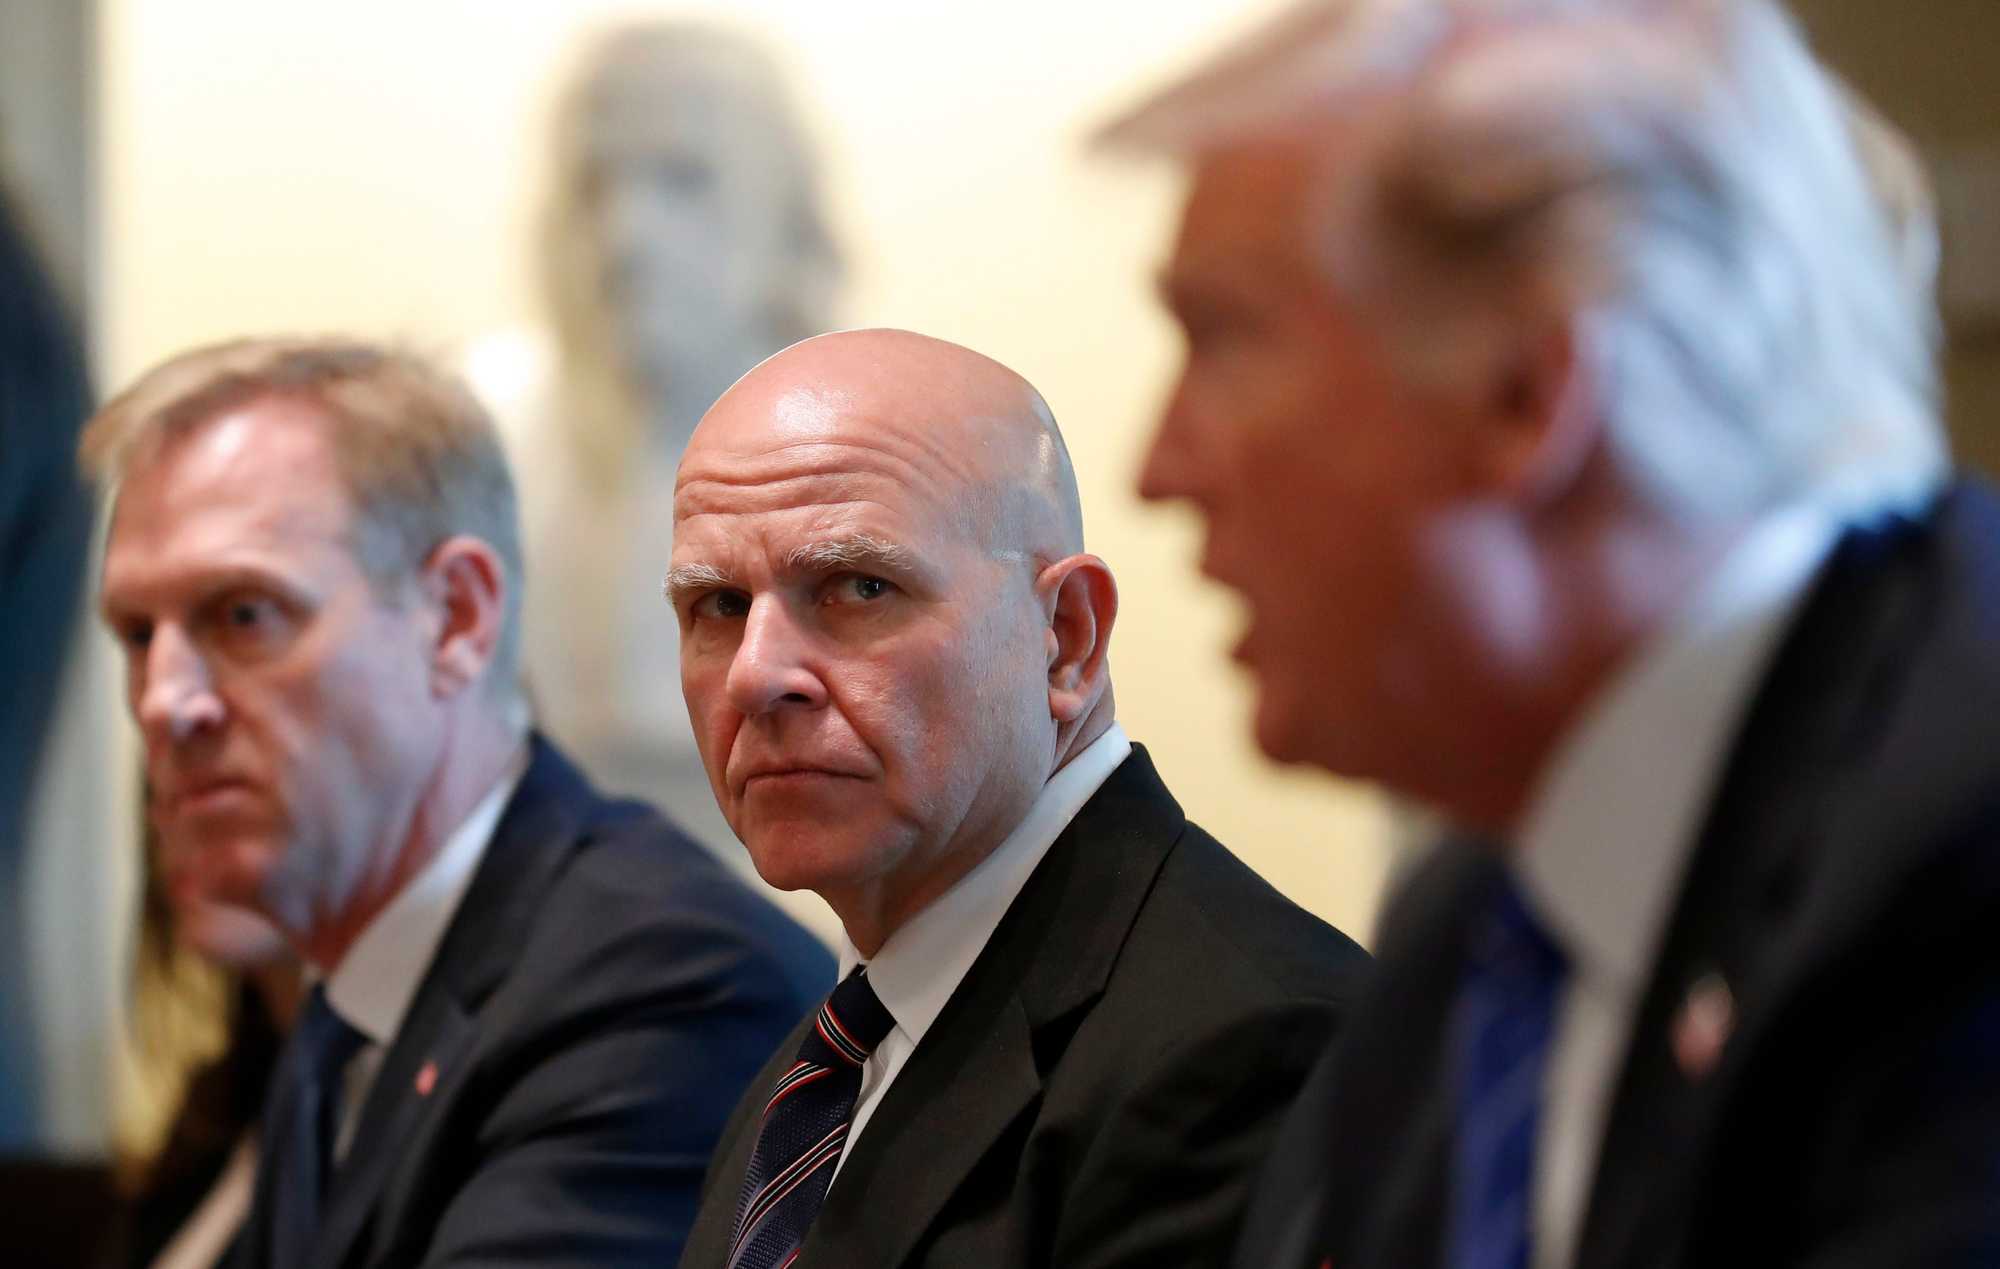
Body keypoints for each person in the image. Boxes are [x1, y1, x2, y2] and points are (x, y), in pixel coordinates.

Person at [1106, 0, 2000, 1265]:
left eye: (1224, 336)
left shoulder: (1955, 862)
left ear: (1525, 392)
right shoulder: (1465, 939)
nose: (1158, 466)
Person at [82, 337, 833, 1269]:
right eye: (136, 634)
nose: (162, 699)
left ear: (457, 619)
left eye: (242, 614)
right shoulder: (343, 1010)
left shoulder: (663, 990)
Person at [670, 328, 1370, 1269]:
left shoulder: (1248, 1050)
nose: (757, 675)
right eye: (717, 605)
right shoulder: (819, 1070)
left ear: (1067, 637)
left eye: (857, 586)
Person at [467, 22, 843, 916]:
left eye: (683, 179)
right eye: (595, 184)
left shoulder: (872, 438)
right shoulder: (485, 434)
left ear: (777, 209)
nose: (627, 235)